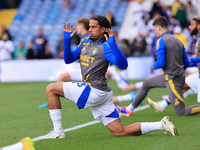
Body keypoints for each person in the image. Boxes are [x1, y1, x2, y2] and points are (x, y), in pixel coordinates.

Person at [39, 16, 177, 139]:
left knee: (51, 89)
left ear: (103, 29)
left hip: (93, 90)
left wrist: (113, 44)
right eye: (90, 26)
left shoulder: (106, 47)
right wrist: (67, 40)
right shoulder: (85, 42)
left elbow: (123, 65)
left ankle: (58, 132)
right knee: (120, 131)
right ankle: (161, 124)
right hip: (103, 93)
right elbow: (68, 59)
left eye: (93, 27)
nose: (90, 29)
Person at [116, 16, 200, 117]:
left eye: (155, 29)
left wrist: (153, 65)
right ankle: (129, 109)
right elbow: (186, 62)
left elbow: (160, 64)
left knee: (182, 112)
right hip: (173, 76)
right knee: (147, 83)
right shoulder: (178, 40)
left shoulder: (161, 40)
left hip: (172, 78)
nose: (155, 32)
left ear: (159, 28)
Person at [147, 16, 200, 112]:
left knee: (178, 88)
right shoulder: (196, 39)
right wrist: (186, 64)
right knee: (179, 85)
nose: (189, 27)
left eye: (192, 24)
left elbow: (160, 63)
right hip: (197, 74)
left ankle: (164, 103)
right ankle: (162, 105)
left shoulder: (165, 40)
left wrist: (191, 59)